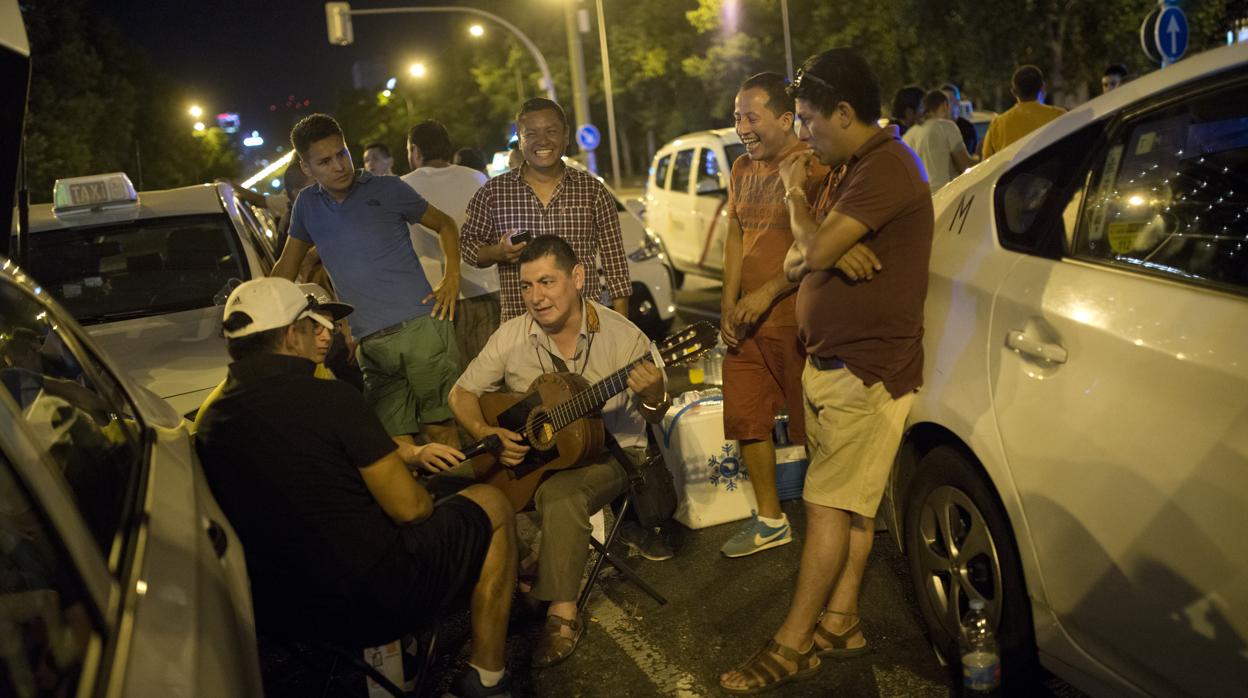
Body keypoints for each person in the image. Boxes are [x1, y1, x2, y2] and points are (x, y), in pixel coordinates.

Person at [719, 47, 934, 693]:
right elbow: (799, 262)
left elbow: (807, 248)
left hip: (867, 369)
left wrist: (798, 205)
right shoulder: (853, 167)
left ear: (845, 111)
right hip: (836, 361)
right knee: (852, 505)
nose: (804, 133)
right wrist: (827, 254)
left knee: (827, 504)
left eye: (810, 119)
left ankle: (793, 645)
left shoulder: (886, 167)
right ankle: (841, 622)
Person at [195, 277, 516, 697]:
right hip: (369, 602)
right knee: (491, 502)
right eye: (312, 327)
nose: (321, 335)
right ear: (293, 336)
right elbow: (411, 509)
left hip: (276, 612)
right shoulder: (330, 399)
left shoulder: (210, 421)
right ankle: (486, 679)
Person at [448, 235, 669, 669]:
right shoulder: (513, 335)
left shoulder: (624, 338)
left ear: (578, 277)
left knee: (562, 495)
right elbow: (462, 393)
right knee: (457, 483)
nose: (536, 297)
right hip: (542, 457)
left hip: (615, 455)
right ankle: (510, 575)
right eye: (527, 286)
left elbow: (656, 416)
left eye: (547, 282)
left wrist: (655, 393)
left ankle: (562, 613)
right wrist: (486, 431)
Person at [273, 113, 464, 449]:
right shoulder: (306, 205)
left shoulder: (388, 188)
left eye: (342, 153)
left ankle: (467, 497)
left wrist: (451, 278)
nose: (339, 166)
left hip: (421, 328)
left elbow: (446, 225)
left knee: (440, 430)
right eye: (325, 161)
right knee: (396, 446)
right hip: (370, 343)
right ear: (307, 168)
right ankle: (429, 501)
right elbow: (286, 268)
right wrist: (250, 306)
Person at [718, 72, 825, 559]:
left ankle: (834, 521)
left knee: (813, 427)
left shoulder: (811, 168)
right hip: (746, 323)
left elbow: (818, 250)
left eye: (750, 116)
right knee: (746, 417)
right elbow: (736, 235)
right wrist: (729, 302)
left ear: (786, 119)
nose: (741, 125)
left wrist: (764, 294)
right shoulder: (740, 169)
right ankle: (771, 519)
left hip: (796, 317)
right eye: (737, 115)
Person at [460, 98, 632, 322]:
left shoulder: (593, 191)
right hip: (521, 329)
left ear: (566, 135)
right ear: (520, 140)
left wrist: (622, 330)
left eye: (551, 131)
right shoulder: (494, 193)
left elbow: (616, 265)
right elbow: (468, 247)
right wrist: (498, 252)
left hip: (583, 327)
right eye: (530, 134)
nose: (542, 141)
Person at [402, 120, 500, 370]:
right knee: (491, 377)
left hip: (433, 300)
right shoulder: (477, 178)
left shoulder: (403, 186)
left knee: (453, 385)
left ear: (415, 151)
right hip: (486, 291)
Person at [981, 65, 1066, 159]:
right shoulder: (1060, 116)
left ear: (1014, 92)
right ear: (1042, 87)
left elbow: (987, 162)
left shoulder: (998, 124)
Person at [903, 89, 977, 192]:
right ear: (944, 106)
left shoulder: (908, 135)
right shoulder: (946, 127)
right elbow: (965, 165)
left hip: (921, 201)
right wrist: (981, 157)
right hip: (944, 197)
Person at [940, 82, 978, 155]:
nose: (945, 105)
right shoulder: (936, 127)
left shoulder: (967, 128)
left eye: (949, 100)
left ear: (957, 102)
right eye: (942, 101)